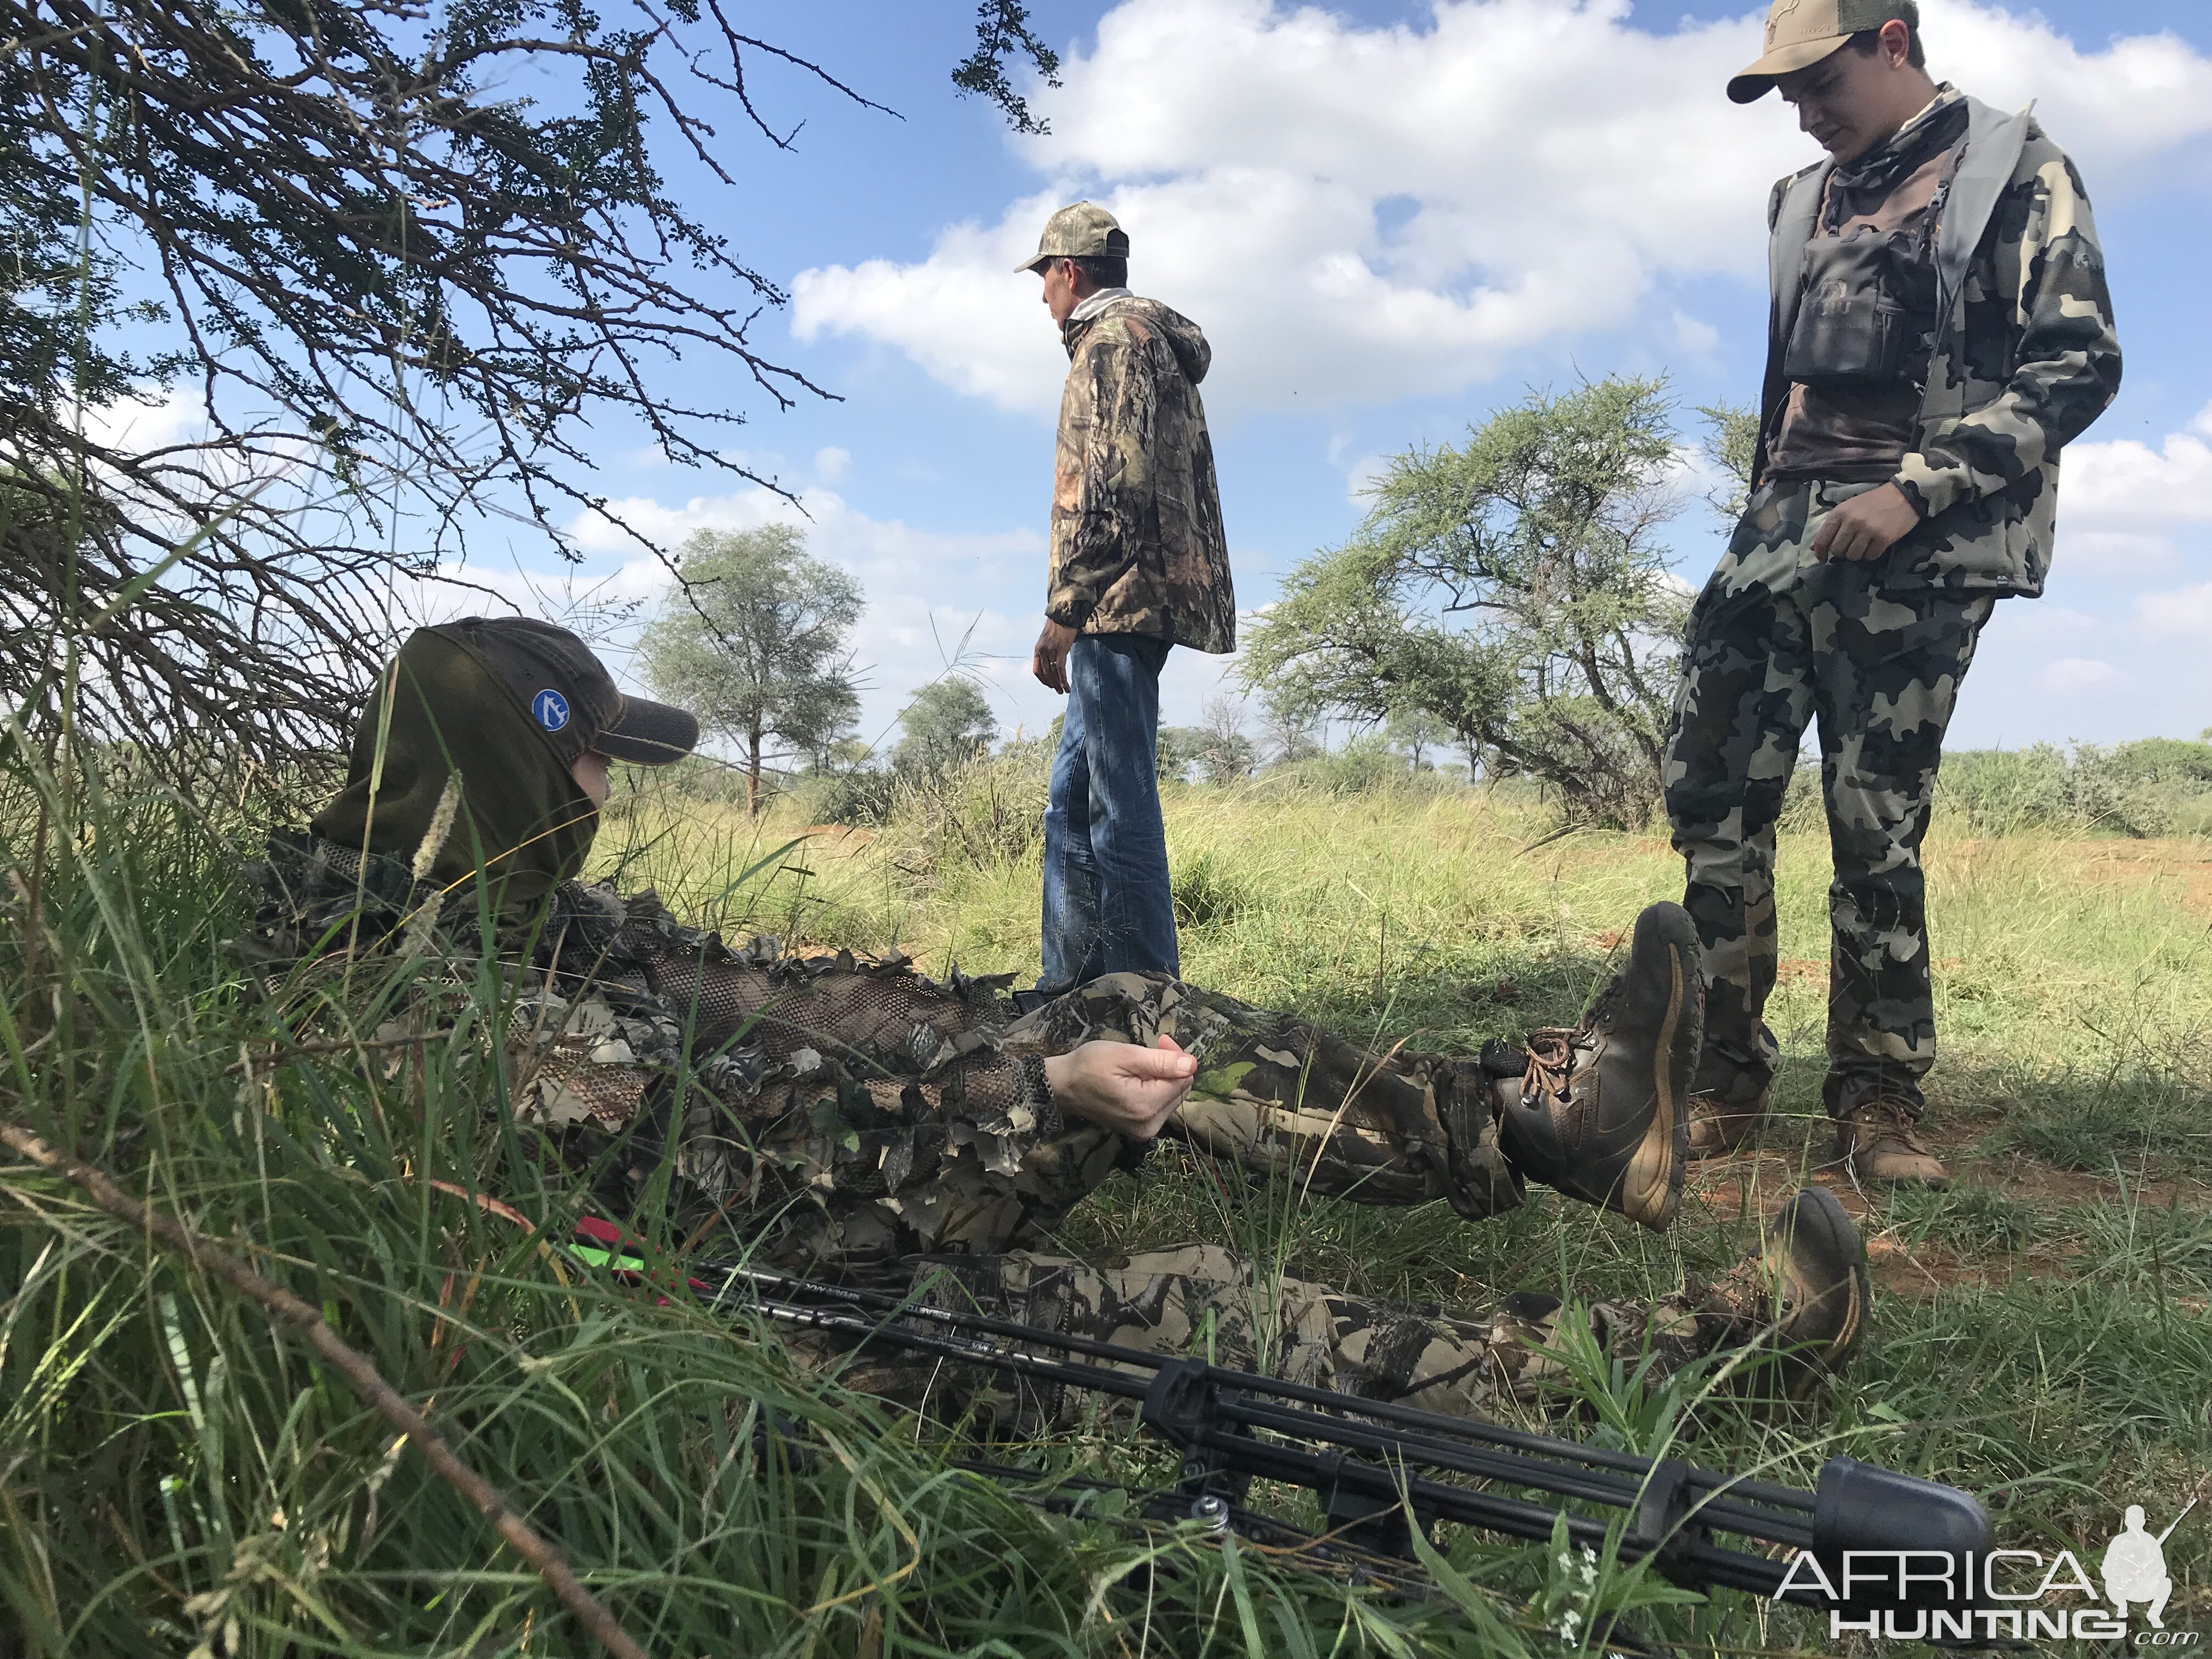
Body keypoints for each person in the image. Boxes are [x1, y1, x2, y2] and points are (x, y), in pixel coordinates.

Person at [249, 618, 1872, 1423]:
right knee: (1193, 1323)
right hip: (757, 1323)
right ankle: (1712, 1352)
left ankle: (1535, 1121)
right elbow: (742, 1175)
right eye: (594, 761)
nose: (608, 796)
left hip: (815, 1232)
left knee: (1125, 1009)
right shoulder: (390, 1004)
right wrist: (1036, 1103)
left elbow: (765, 1012)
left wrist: (1011, 1047)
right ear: (517, 766)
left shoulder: (506, 915)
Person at [1671, 0, 2122, 1187]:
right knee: (1710, 795)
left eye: (1821, 80)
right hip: (1784, 519)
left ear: (1893, 39)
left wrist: (1919, 492)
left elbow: (2079, 361)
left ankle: (1878, 1100)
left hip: (1915, 532)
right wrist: (1773, 501)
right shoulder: (1796, 198)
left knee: (1875, 825)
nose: (1804, 111)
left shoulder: (2015, 165)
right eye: (1786, 94)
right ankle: (1722, 1075)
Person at [1019, 202, 1235, 995]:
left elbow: (1113, 492)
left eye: (1043, 276)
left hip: (1117, 601)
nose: (1041, 295)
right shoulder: (1151, 344)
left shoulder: (1111, 344)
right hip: (1140, 598)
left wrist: (1063, 612)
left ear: (1069, 272)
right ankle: (1070, 994)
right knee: (1071, 804)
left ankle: (1146, 1002)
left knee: (1116, 804)